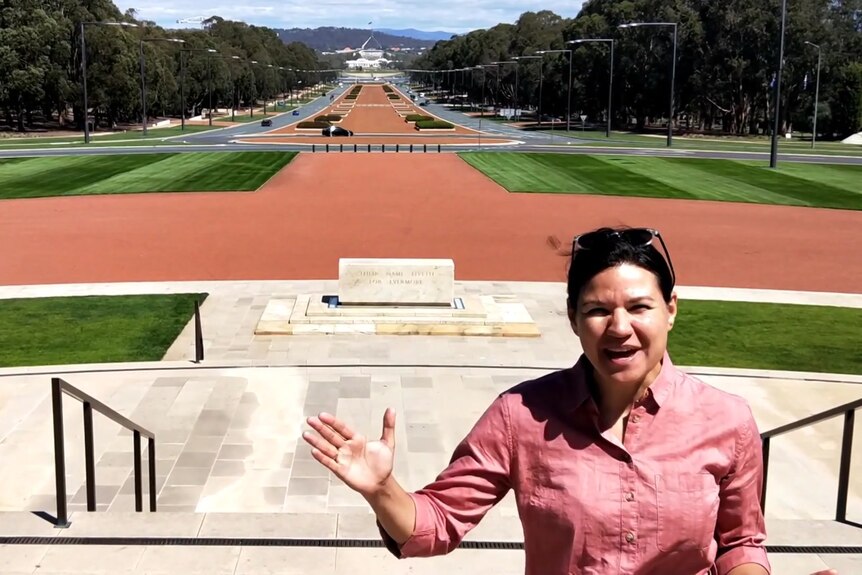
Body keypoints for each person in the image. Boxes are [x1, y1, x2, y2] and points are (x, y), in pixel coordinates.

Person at [302, 226, 838, 575]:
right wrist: (382, 489)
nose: (620, 328)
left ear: (671, 309)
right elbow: (436, 525)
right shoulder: (520, 415)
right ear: (574, 319)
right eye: (598, 310)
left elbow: (741, 544)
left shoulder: (727, 420)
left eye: (640, 306)